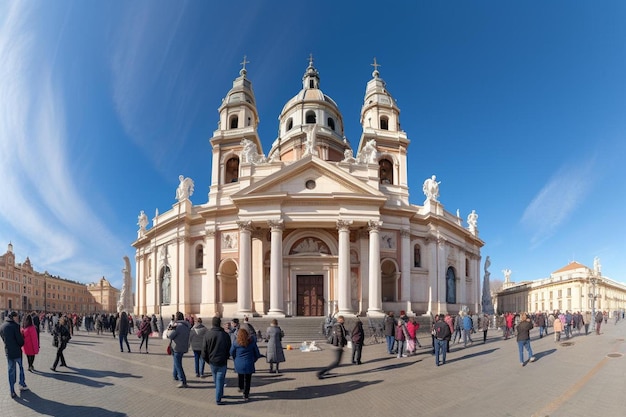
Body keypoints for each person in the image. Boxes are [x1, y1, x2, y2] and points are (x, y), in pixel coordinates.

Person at [202, 317, 231, 405]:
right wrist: (227, 356)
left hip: (212, 361)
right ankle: (218, 398)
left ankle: (219, 394)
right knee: (220, 379)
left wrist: (208, 360)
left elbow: (204, 350)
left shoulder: (208, 334)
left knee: (216, 379)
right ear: (220, 323)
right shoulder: (225, 335)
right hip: (222, 361)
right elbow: (229, 348)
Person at [230, 328, 261, 402]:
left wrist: (235, 358)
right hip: (249, 362)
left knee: (240, 374)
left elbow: (231, 352)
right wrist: (254, 359)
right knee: (248, 379)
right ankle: (246, 394)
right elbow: (257, 353)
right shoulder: (252, 342)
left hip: (239, 362)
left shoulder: (236, 343)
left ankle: (241, 387)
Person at [0, 311, 27, 398]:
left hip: (8, 352)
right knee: (21, 367)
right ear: (14, 317)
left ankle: (12, 390)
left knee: (11, 371)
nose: (18, 319)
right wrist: (22, 340)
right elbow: (20, 341)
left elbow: (3, 339)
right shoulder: (15, 326)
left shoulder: (2, 326)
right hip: (17, 352)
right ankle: (21, 383)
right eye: (17, 317)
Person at [168, 311, 191, 388]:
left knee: (178, 364)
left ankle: (183, 381)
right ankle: (175, 375)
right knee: (176, 361)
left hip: (177, 347)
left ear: (176, 318)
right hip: (184, 346)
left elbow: (170, 335)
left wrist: (171, 327)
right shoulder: (187, 325)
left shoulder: (177, 326)